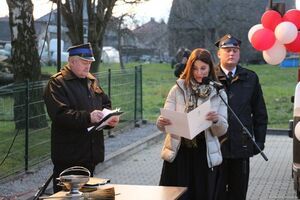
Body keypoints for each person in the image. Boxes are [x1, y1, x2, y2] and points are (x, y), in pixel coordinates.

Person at [43, 43, 119, 193]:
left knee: (88, 195)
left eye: (90, 63)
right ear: (71, 62)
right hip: (69, 155)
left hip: (90, 153)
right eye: (84, 63)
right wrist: (88, 117)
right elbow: (60, 115)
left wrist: (109, 119)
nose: (88, 67)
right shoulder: (57, 83)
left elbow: (105, 103)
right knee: (65, 196)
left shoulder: (91, 80)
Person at [156, 48, 228, 200]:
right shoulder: (177, 89)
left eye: (203, 68)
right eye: (195, 68)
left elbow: (222, 129)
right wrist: (162, 122)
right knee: (176, 196)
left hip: (204, 153)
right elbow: (162, 123)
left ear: (210, 68)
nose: (199, 73)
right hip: (179, 152)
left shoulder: (218, 92)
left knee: (202, 194)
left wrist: (216, 120)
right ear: (189, 67)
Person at [214, 34, 268, 200]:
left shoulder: (250, 77)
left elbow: (260, 112)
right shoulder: (209, 77)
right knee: (216, 193)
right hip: (215, 145)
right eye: (227, 50)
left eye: (235, 50)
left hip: (241, 145)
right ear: (219, 54)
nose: (231, 54)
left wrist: (259, 141)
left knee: (238, 192)